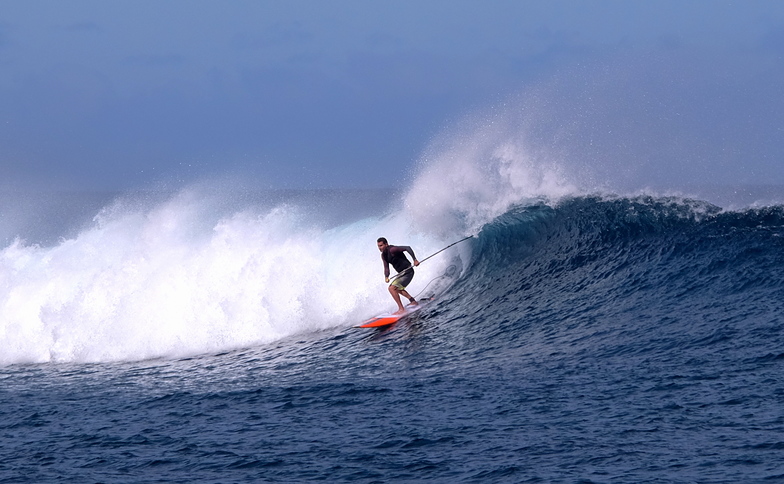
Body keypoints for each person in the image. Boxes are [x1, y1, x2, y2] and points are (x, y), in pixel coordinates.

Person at [377, 237, 420, 314]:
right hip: (402, 273)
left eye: (381, 245)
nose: (379, 248)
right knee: (396, 288)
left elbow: (408, 248)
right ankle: (413, 301)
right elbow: (386, 267)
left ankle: (401, 309)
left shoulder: (392, 249)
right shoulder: (384, 255)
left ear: (386, 244)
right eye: (378, 246)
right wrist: (386, 276)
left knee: (392, 288)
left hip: (408, 271)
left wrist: (415, 260)